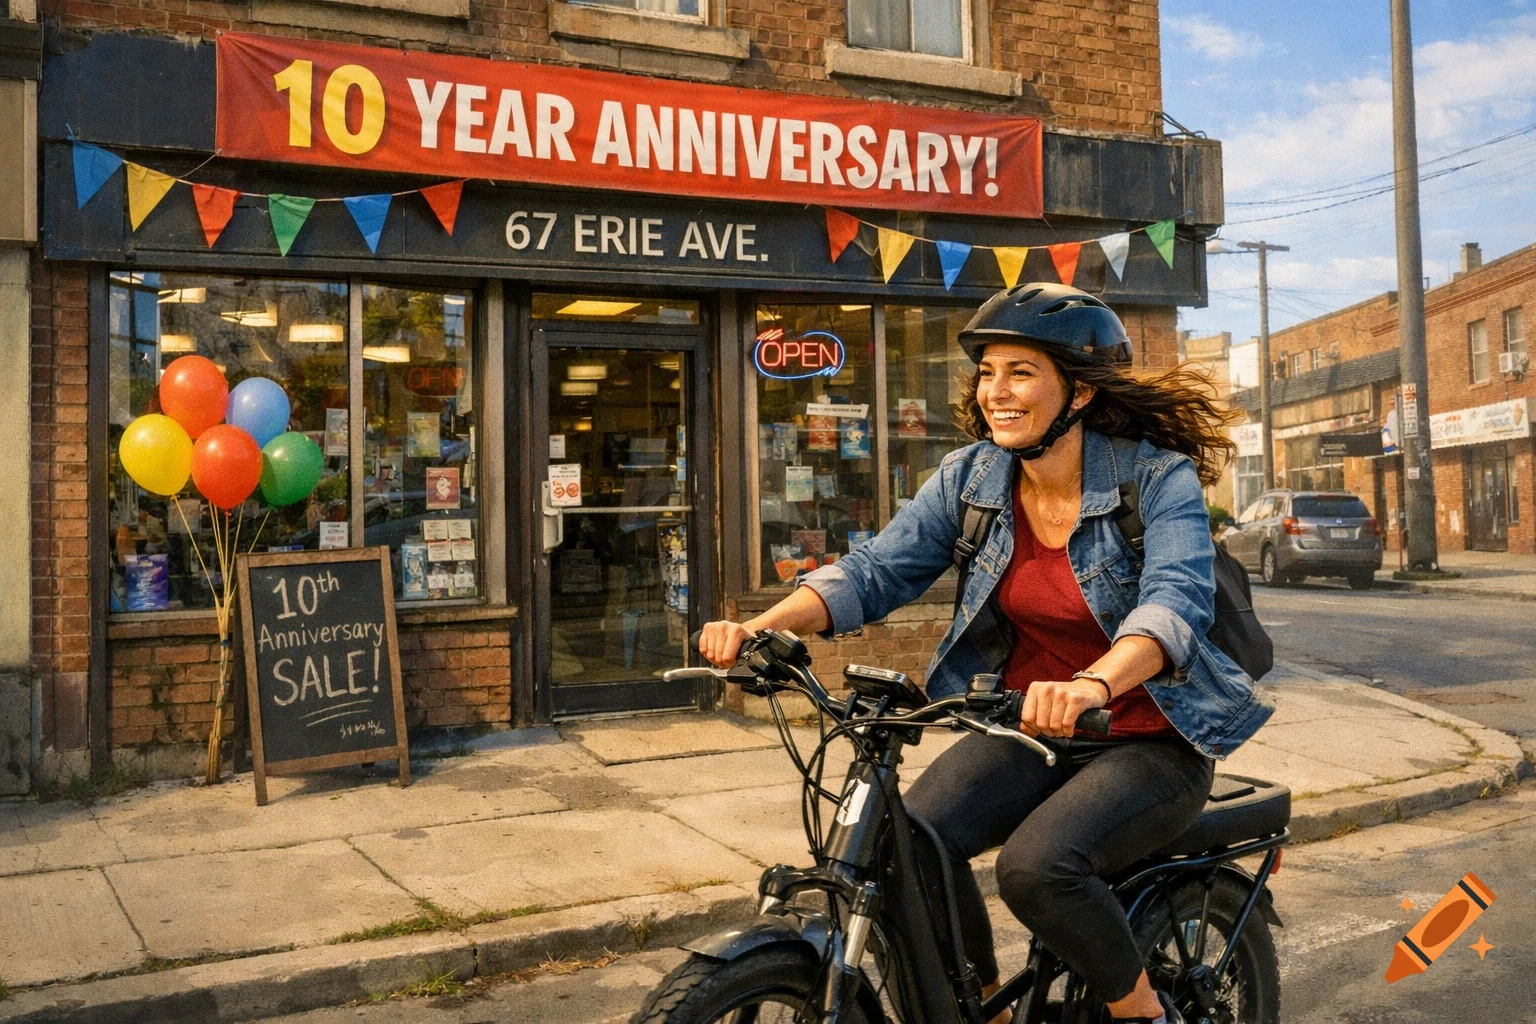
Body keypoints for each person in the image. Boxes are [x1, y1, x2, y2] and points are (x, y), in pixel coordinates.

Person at [697, 283, 1275, 1024]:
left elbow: (1174, 605)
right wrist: (765, 626)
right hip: (1028, 729)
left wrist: (1093, 685)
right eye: (988, 371)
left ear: (1079, 392)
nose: (996, 391)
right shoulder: (972, 478)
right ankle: (981, 1014)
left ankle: (1144, 1013)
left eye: (1022, 372)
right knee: (910, 843)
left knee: (1037, 868)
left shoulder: (1154, 479)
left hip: (1150, 739)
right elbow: (877, 570)